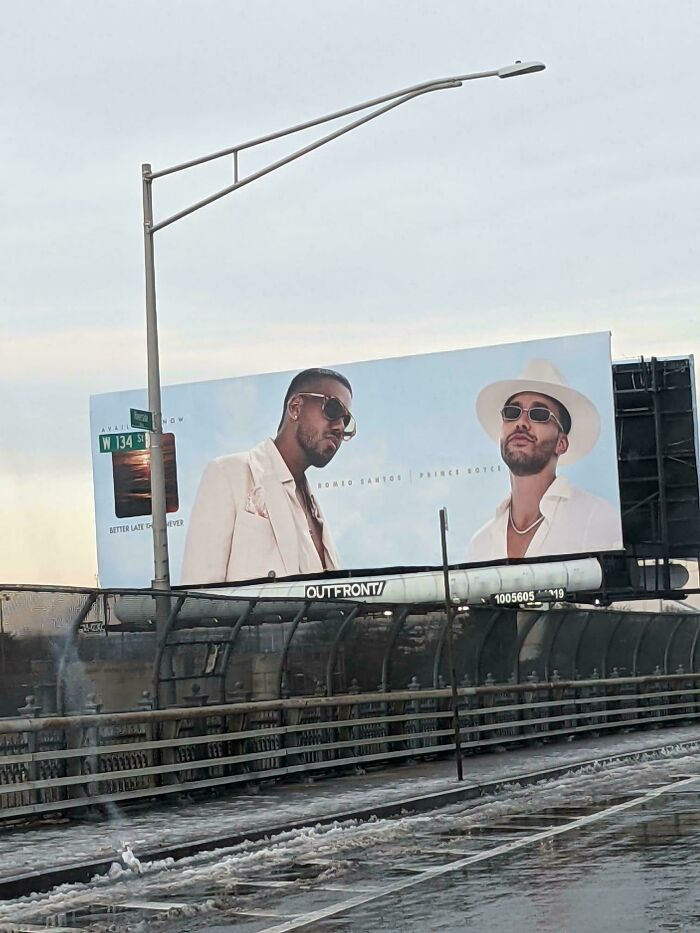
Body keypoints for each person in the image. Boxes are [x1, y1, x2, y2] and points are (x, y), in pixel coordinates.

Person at [180, 368, 355, 584]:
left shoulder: (314, 509)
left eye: (346, 421)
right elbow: (198, 594)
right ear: (295, 408)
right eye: (333, 409)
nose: (339, 427)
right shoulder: (228, 473)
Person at [467, 358, 621, 561]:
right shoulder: (480, 543)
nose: (521, 423)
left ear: (561, 444)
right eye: (512, 413)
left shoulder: (597, 517)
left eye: (539, 415)